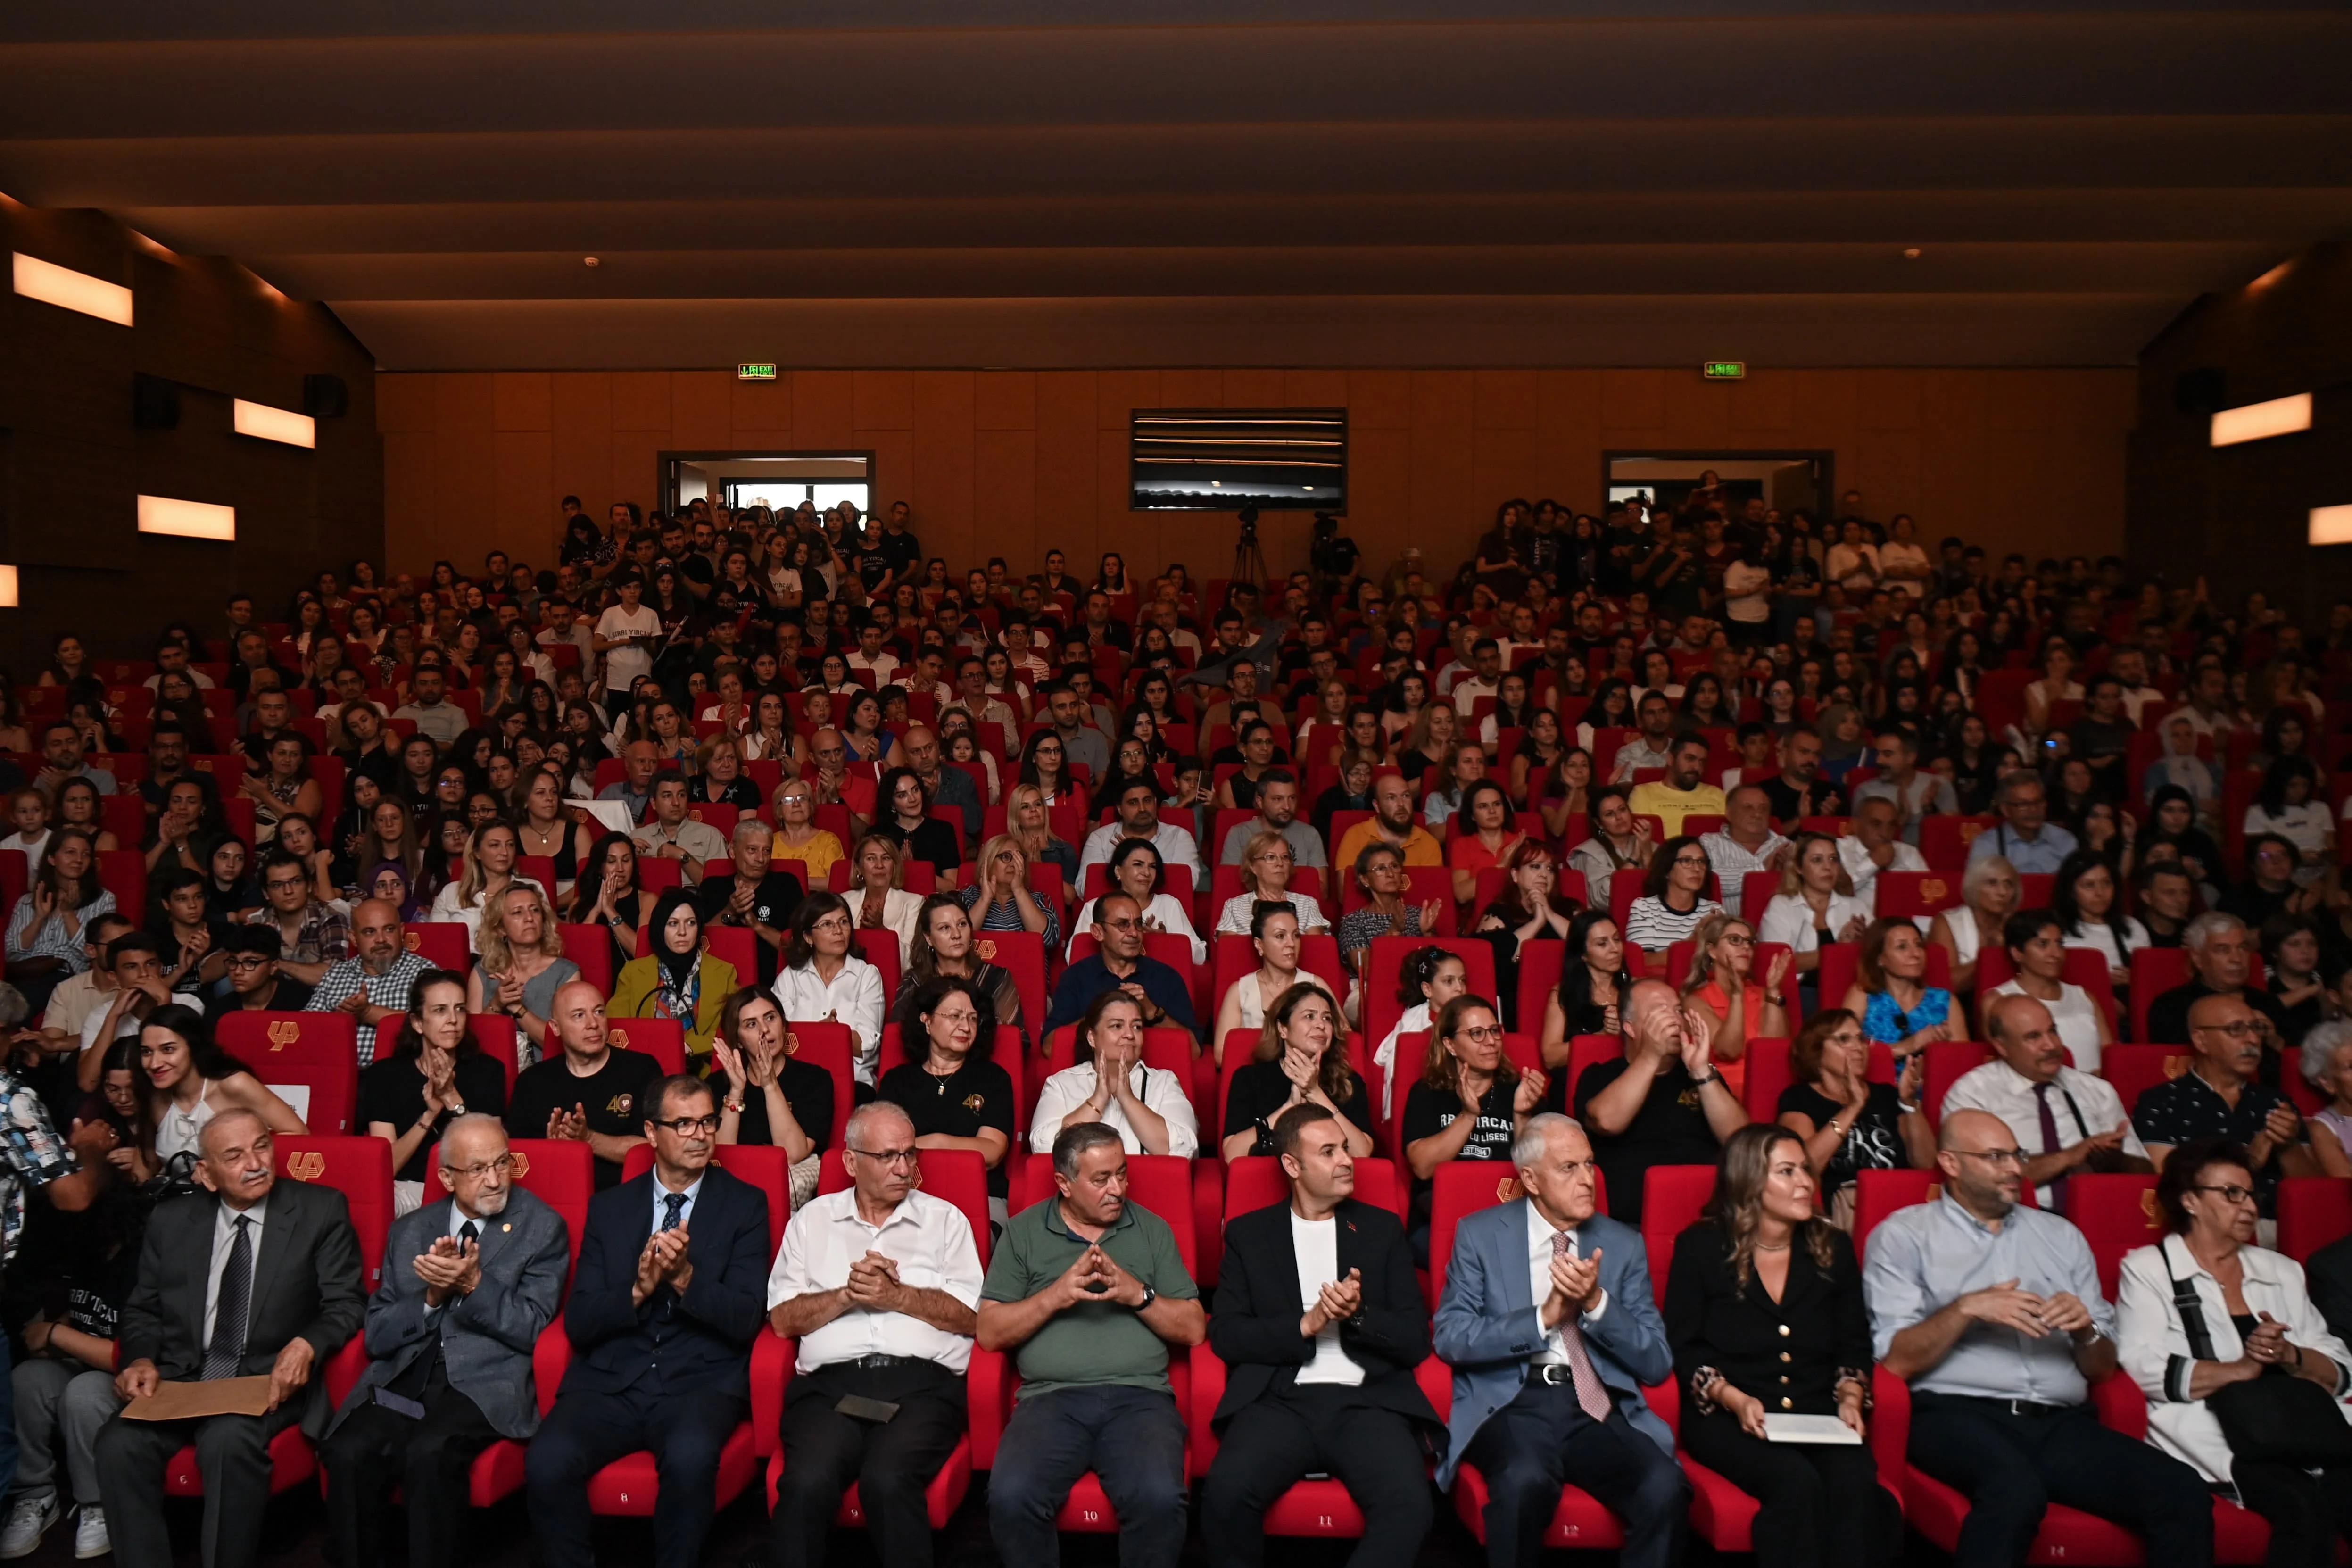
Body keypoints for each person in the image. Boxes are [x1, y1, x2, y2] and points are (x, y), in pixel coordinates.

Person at [1866, 1106, 2215, 1568]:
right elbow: (1894, 1360)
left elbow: (2101, 1367)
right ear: (1950, 1163)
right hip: (1954, 1411)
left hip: (2057, 1422)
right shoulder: (1903, 1235)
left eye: (2016, 1154)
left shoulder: (2061, 1236)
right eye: (1995, 1157)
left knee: (2180, 1490)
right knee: (2014, 1489)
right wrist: (1965, 1309)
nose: (2015, 1168)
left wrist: (2083, 1329)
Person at [96, 1109, 366, 1568]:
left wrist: (305, 1345)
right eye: (235, 1155)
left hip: (264, 1382)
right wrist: (139, 1360)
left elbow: (345, 1303)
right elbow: (144, 1309)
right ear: (206, 1173)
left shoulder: (320, 1210)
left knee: (226, 1440)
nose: (256, 1162)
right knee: (118, 1443)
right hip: (183, 1379)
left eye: (262, 1146)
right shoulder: (171, 1220)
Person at [524, 1073, 771, 1568]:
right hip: (611, 1379)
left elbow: (746, 1318)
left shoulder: (744, 1204)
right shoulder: (610, 1207)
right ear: (651, 1132)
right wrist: (638, 1289)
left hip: (698, 1380)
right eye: (683, 1123)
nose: (701, 1134)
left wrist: (682, 1279)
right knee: (547, 1459)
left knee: (689, 1458)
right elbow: (581, 1320)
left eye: (706, 1121)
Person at [1432, 1112, 1687, 1568]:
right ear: (1529, 1178)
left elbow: (1656, 1361)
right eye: (1568, 1168)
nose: (1586, 1179)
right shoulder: (1480, 1234)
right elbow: (1451, 1337)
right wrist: (1542, 1317)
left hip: (1595, 1403)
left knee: (1663, 1485)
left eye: (1589, 1165)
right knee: (1521, 1481)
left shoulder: (1622, 1244)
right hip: (1515, 1401)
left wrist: (1596, 1305)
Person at [318, 1115, 569, 1568]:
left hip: (483, 1380)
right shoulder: (411, 1229)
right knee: (348, 1450)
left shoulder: (541, 1226)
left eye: (502, 1163)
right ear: (446, 1176)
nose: (494, 1180)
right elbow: (376, 1334)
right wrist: (432, 1297)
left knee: (429, 1452)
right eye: (477, 1169)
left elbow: (534, 1326)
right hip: (403, 1380)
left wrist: (475, 1284)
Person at [1202, 1101, 1441, 1568]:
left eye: (1344, 1149)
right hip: (1279, 1400)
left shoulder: (1380, 1229)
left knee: (1409, 1507)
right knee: (1224, 1497)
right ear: (1291, 1165)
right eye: (1328, 1152)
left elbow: (1415, 1338)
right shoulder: (1249, 1235)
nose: (1346, 1161)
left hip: (1367, 1401)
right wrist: (1304, 1325)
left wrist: (1357, 1315)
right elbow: (1227, 1335)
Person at [1664, 1124, 1901, 1568]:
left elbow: (1853, 1342)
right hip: (1733, 1416)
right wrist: (1731, 1397)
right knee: (1795, 1483)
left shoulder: (1833, 1246)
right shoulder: (1701, 1247)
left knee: (1855, 1482)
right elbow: (1684, 1345)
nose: (1806, 1183)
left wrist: (1851, 1398)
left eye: (1806, 1171)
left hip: (1817, 1414)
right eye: (1787, 1172)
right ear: (1750, 1179)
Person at [764, 1099, 986, 1568]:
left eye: (909, 1154)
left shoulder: (946, 1221)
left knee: (887, 1479)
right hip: (830, 1388)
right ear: (850, 1161)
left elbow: (973, 1317)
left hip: (922, 1387)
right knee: (806, 1480)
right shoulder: (812, 1221)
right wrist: (848, 1294)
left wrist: (896, 1296)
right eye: (888, 1156)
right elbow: (783, 1319)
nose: (903, 1168)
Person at [2114, 1137, 2352, 1568]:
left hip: (2301, 1423)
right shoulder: (2149, 1268)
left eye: (2251, 1194)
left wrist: (2290, 1355)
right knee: (2301, 1508)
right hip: (2218, 1428)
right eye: (2231, 1193)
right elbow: (2140, 1364)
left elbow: (2339, 1362)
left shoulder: (2282, 1270)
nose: (2249, 1207)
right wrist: (2240, 1369)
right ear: (2190, 1200)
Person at [978, 1121, 1206, 1568]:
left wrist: (1135, 1293)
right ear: (1063, 1183)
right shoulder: (1024, 1232)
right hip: (1050, 1400)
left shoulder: (1152, 1229)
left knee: (1159, 1498)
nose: (1117, 1188)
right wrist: (1055, 1296)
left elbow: (1194, 1327)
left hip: (1139, 1399)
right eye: (1101, 1179)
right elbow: (989, 1331)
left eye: (1122, 1173)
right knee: (1011, 1497)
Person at [1943, 992, 2150, 1211]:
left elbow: (2147, 1175)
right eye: (2033, 1037)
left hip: (2099, 1214)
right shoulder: (1973, 1094)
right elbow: (1976, 1179)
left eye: (2052, 1031)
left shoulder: (2096, 1090)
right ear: (2002, 1046)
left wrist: (2117, 1161)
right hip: (2013, 1219)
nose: (2050, 1045)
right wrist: (2070, 1157)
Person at [1575, 979, 1749, 1225]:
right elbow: (1606, 1122)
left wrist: (1701, 1073)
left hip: (1710, 1220)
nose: (1675, 1020)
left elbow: (1742, 1141)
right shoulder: (1601, 1075)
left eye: (1678, 1010)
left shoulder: (1703, 1076)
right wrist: (1650, 1056)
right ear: (1631, 1028)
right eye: (1660, 1011)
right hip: (1633, 1224)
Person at [2135, 992, 2315, 1211]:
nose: (2252, 1040)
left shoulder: (2277, 1102)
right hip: (2204, 1228)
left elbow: (2313, 1193)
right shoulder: (2162, 1102)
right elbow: (2170, 1184)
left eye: (2256, 1028)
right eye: (2236, 1029)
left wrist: (2289, 1145)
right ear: (2201, 1041)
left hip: (2280, 1224)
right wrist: (2251, 1161)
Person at [358, 971, 510, 1214]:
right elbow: (386, 1167)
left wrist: (451, 1097)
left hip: (473, 1188)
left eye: (460, 1009)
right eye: (440, 1010)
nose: (453, 1020)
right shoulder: (385, 1075)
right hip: (408, 1190)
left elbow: (489, 1155)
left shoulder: (488, 1071)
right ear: (418, 1023)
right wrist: (429, 1116)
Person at [1402, 995, 1548, 1247]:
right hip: (1443, 1221)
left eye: (1494, 1031)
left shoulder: (1520, 1090)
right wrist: (1469, 1116)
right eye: (1477, 1033)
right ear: (1450, 1045)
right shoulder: (1428, 1092)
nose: (1491, 1041)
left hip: (1510, 1216)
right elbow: (1423, 1167)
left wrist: (1522, 1114)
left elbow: (1537, 1171)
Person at [504, 979, 664, 1190]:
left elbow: (654, 1147)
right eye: (579, 1016)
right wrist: (552, 1150)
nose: (593, 1024)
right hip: (552, 1195)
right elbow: (515, 1157)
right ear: (555, 1027)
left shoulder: (642, 1069)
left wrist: (588, 1139)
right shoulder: (532, 1082)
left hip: (625, 1196)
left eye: (599, 1012)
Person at [1777, 1008, 1932, 1225]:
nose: (1858, 1047)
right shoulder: (1800, 1099)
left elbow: (1926, 1164)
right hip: (1842, 1212)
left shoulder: (1887, 1095)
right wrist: (1853, 1108)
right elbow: (1805, 1167)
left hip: (1899, 1209)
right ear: (1816, 1051)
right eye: (1844, 1039)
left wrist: (1910, 1105)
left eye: (1861, 1039)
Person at [876, 976, 1018, 1210]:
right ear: (927, 1022)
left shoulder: (993, 1078)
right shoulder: (897, 1080)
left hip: (978, 1196)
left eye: (973, 1018)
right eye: (955, 1017)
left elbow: (991, 1152)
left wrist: (932, 1142)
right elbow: (881, 1148)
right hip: (907, 1195)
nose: (966, 1027)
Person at [1028, 991, 1198, 1158]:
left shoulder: (1164, 1082)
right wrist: (1097, 1102)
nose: (1130, 1035)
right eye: (1117, 1026)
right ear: (1092, 1038)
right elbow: (1043, 1146)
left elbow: (1185, 1149)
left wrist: (1128, 1100)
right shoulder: (1061, 1083)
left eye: (1137, 1027)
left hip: (1153, 1185)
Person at [1219, 982, 1372, 1161]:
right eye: (1309, 1016)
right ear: (1283, 1029)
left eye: (1327, 1019)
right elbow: (1232, 1155)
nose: (1321, 1025)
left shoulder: (1348, 1081)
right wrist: (1288, 1108)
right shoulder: (1250, 1079)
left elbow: (1362, 1152)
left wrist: (1315, 1093)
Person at [1042, 892, 1199, 1042]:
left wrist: (1153, 1012)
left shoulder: (1167, 978)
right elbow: (1050, 1047)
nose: (1134, 933)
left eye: (1138, 924)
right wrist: (1102, 1013)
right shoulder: (1075, 977)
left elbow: (1194, 1050)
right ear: (1098, 932)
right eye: (1122, 925)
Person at [770, 894, 890, 1088]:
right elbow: (777, 1037)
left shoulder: (867, 975)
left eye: (844, 922)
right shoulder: (790, 978)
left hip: (852, 1082)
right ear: (808, 937)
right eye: (827, 924)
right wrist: (823, 1036)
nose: (838, 931)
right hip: (798, 1080)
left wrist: (836, 1036)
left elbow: (870, 1046)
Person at [609, 888, 737, 1066]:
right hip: (646, 1068)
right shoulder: (633, 972)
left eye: (691, 923)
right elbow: (616, 1028)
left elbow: (733, 1032)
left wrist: (690, 1047)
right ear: (660, 927)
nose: (683, 932)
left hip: (701, 1072)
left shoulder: (725, 973)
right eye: (673, 924)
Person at [1984, 910, 2116, 1075]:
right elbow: (2002, 1063)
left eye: (2060, 944)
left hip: (2094, 1092)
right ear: (2017, 953)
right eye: (2043, 945)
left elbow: (2111, 1058)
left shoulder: (2085, 997)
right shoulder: (1998, 1000)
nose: (2056, 954)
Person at [305, 898, 433, 1067]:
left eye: (389, 929)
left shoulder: (424, 972)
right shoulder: (336, 974)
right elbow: (306, 1027)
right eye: (369, 932)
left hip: (399, 1075)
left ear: (401, 932)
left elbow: (433, 1026)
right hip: (336, 1071)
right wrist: (338, 1022)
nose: (381, 939)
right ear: (354, 938)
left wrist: (367, 1012)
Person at [1678, 912, 1790, 1102]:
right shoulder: (1695, 1001)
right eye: (1735, 940)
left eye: (1750, 942)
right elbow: (1729, 1051)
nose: (1746, 947)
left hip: (1770, 1088)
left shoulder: (1765, 995)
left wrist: (1773, 991)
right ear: (1712, 951)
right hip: (1726, 1092)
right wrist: (1737, 996)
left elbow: (1775, 1051)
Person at [464, 883, 581, 1066]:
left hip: (548, 1074)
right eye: (517, 912)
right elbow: (469, 1042)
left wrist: (517, 1008)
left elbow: (564, 1043)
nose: (529, 918)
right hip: (492, 1076)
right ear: (501, 928)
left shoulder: (567, 973)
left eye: (535, 910)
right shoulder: (482, 972)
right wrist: (496, 1004)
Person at [2146, 913, 2290, 1061]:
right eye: (2223, 950)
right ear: (2198, 958)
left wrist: (2274, 1041)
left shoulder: (2269, 1003)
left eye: (2242, 948)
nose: (2237, 959)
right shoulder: (2171, 1006)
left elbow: (2294, 1063)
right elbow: (2173, 1065)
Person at [1210, 903, 1337, 1052]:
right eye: (1280, 936)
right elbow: (1221, 1053)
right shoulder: (1240, 990)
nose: (1291, 944)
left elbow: (1344, 1041)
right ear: (1259, 945)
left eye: (1296, 935)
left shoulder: (1316, 984)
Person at [1071, 838, 1206, 967]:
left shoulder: (1169, 905)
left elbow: (1201, 956)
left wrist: (1166, 941)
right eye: (1138, 865)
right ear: (1118, 871)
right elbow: (1073, 955)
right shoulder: (1095, 906)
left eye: (1152, 866)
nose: (1147, 873)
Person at [1839, 917, 1956, 1057]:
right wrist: (1909, 1045)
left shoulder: (1945, 1001)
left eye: (1919, 945)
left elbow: (1962, 1063)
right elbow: (1842, 1052)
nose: (1916, 954)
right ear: (1880, 959)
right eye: (1902, 947)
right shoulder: (1863, 994)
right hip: (1875, 1079)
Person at [1077, 780, 1206, 883]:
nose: (1143, 808)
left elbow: (1188, 884)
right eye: (1133, 803)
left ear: (1156, 803)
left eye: (1147, 801)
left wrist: (1131, 868)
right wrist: (1123, 860)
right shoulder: (1099, 839)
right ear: (1120, 809)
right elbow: (1085, 887)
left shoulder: (1180, 837)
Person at [1928, 853, 2020, 998]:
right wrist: (1990, 955)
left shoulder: (2020, 923)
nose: (2003, 892)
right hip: (1963, 1004)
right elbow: (1947, 984)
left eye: (2009, 884)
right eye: (1992, 883)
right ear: (1974, 888)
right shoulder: (1948, 922)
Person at [1698, 784, 1789, 921]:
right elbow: (1707, 881)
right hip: (1723, 929)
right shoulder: (1710, 843)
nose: (1758, 814)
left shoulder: (1786, 847)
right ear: (1729, 813)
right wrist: (1761, 869)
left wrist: (1790, 871)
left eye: (1763, 809)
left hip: (1780, 926)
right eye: (1748, 808)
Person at [1622, 835, 1724, 956]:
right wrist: (1694, 940)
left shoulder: (1714, 911)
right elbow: (1644, 962)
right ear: (1666, 870)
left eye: (1701, 862)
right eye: (1686, 861)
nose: (1697, 869)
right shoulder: (1644, 908)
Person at [1214, 830, 1331, 937]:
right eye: (1271, 857)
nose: (1280, 863)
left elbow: (1317, 952)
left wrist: (1285, 915)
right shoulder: (1234, 907)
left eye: (1285, 857)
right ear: (1252, 866)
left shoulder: (1308, 904)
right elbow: (1228, 953)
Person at [1968, 772, 2080, 876]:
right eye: (2023, 804)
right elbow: (1977, 892)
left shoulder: (2065, 841)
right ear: (2005, 809)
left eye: (2038, 802)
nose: (2033, 809)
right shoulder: (1987, 846)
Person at [631, 772, 730, 881]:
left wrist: (682, 857)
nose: (676, 803)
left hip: (694, 896)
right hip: (650, 897)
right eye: (667, 796)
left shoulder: (710, 835)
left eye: (681, 795)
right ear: (654, 803)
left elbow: (718, 890)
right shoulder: (637, 838)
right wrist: (629, 857)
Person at [1332, 773, 1442, 871]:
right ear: (1377, 806)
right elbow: (1347, 892)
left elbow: (1433, 892)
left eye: (1406, 796)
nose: (1401, 804)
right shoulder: (1355, 837)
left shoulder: (1429, 843)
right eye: (1391, 798)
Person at [1839, 796, 1927, 913]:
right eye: (1876, 824)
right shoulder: (1839, 849)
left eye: (1891, 825)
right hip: (1855, 926)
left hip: (1902, 925)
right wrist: (1873, 863)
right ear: (1855, 825)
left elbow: (1926, 895)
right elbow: (1838, 891)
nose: (1885, 833)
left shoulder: (1909, 853)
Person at [1626, 734, 1724, 839]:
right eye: (1690, 759)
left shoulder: (1716, 793)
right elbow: (1641, 839)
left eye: (1702, 762)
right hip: (1664, 854)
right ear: (1670, 759)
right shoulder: (1643, 793)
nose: (1697, 767)